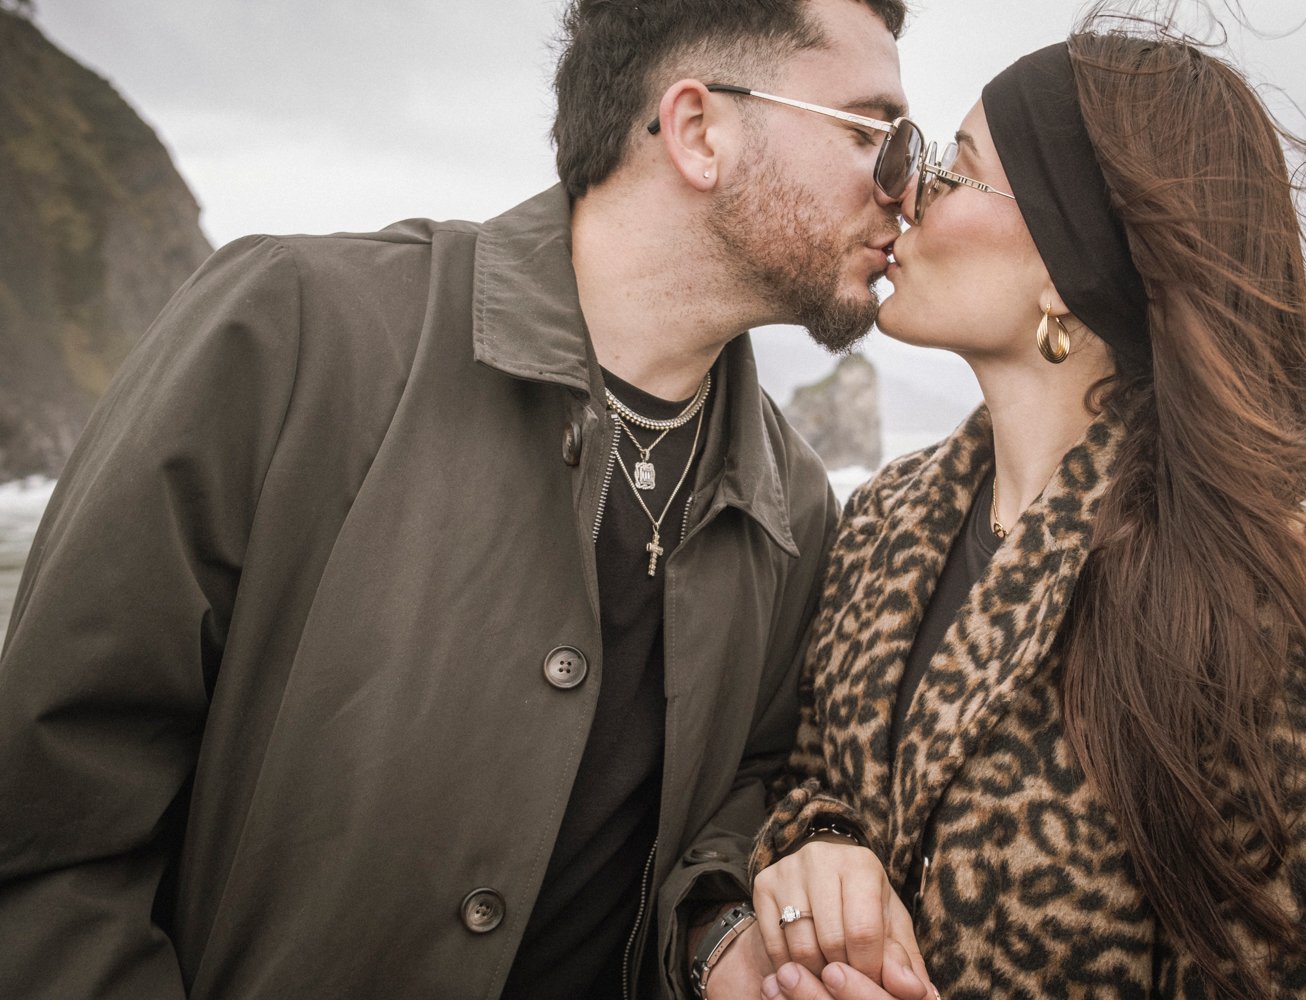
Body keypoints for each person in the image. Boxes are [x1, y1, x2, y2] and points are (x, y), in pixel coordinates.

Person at [0, 1, 921, 996]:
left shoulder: (794, 502)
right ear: (699, 131)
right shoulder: (294, 333)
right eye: (875, 135)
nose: (906, 190)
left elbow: (735, 803)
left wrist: (719, 933)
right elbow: (53, 828)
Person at [743, 27, 1306, 1000]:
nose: (903, 189)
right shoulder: (879, 522)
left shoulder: (1272, 596)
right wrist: (818, 849)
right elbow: (805, 778)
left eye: (953, 169)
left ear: (1068, 261)